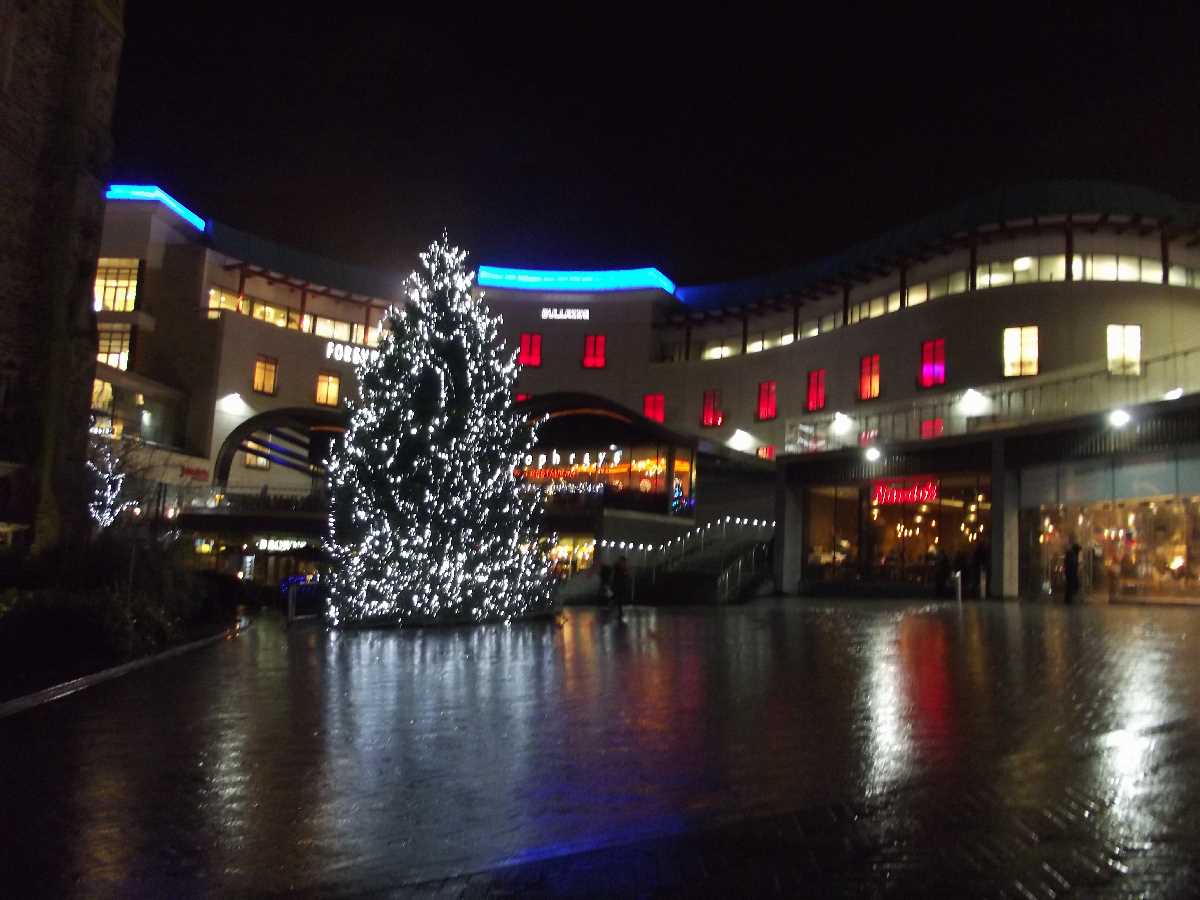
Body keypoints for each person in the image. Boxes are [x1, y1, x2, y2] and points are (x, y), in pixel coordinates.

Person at [1063, 537, 1082, 605]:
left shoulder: (1071, 554)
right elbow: (1072, 565)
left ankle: (1068, 599)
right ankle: (1068, 599)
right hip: (1071, 573)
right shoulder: (1072, 555)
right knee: (1071, 586)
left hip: (1070, 573)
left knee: (1070, 586)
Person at [611, 556, 630, 620]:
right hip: (618, 585)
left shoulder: (622, 568)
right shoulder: (618, 568)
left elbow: (626, 575)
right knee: (618, 598)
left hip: (621, 585)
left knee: (619, 599)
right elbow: (617, 575)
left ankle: (618, 610)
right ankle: (616, 609)